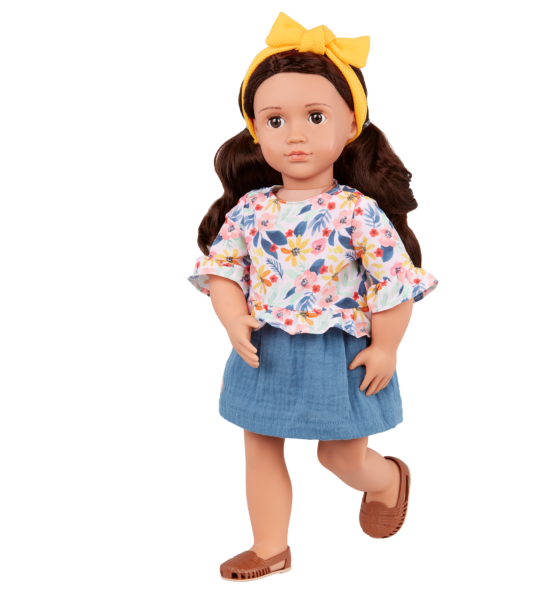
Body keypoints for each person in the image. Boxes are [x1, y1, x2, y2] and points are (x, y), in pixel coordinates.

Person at [187, 12, 439, 583]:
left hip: (339, 352)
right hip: (265, 348)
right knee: (259, 446)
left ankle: (387, 480)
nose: (294, 135)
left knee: (338, 455)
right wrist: (233, 320)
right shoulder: (251, 209)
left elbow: (393, 284)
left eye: (315, 116)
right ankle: (270, 547)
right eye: (275, 120)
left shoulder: (357, 211)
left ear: (350, 123)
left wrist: (386, 347)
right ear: (256, 129)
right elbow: (223, 270)